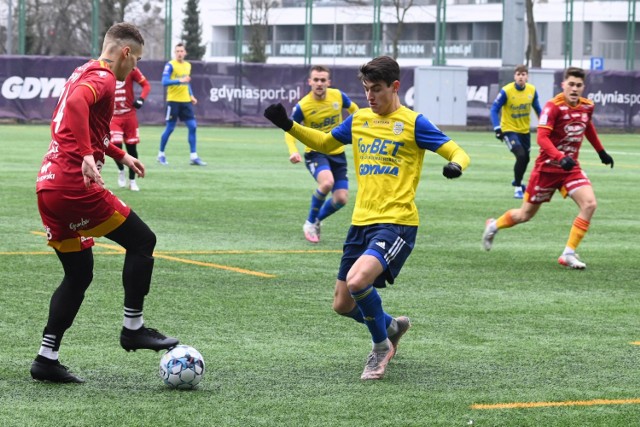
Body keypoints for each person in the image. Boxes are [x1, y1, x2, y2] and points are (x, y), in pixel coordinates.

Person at [264, 56, 470, 380]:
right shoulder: (360, 120)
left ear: (395, 87)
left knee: (359, 281)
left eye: (376, 90)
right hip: (361, 222)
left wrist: (455, 166)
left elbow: (458, 152)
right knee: (342, 304)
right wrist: (288, 124)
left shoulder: (414, 123)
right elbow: (324, 141)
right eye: (366, 89)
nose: (369, 97)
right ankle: (390, 325)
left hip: (397, 222)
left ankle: (380, 346)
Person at [31, 22, 179, 384]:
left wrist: (118, 154)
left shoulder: (83, 70)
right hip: (74, 186)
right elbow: (80, 103)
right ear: (125, 53)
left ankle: (46, 358)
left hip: (48, 186)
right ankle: (134, 327)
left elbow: (76, 118)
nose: (135, 68)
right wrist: (85, 155)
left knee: (78, 274)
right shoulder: (106, 77)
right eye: (137, 59)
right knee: (143, 241)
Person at [482, 67, 615, 269]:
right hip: (547, 169)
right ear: (563, 85)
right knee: (524, 215)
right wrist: (560, 157)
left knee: (589, 204)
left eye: (578, 85)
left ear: (583, 87)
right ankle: (493, 225)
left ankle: (568, 253)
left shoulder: (587, 106)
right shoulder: (553, 107)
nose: (574, 88)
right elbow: (542, 138)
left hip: (570, 169)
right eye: (571, 84)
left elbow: (587, 127)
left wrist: (601, 151)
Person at [285, 65, 359, 243]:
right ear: (309, 82)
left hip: (338, 153)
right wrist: (293, 151)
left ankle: (317, 220)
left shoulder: (338, 96)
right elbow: (289, 130)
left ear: (329, 82)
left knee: (341, 199)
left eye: (323, 80)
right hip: (315, 152)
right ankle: (310, 222)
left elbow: (356, 111)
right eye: (316, 80)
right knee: (327, 182)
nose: (319, 83)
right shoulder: (303, 106)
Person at [490, 65, 542, 199]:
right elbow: (494, 109)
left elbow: (538, 109)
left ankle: (517, 180)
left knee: (526, 158)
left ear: (527, 77)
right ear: (514, 76)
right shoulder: (506, 91)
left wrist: (545, 124)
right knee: (520, 155)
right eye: (518, 74)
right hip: (509, 130)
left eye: (524, 74)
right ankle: (518, 188)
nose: (521, 77)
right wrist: (497, 128)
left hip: (525, 131)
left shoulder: (532, 90)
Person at [157, 43, 206, 166]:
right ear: (175, 52)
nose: (179, 53)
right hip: (173, 101)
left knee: (193, 126)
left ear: (185, 53)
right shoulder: (170, 65)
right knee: (170, 128)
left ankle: (194, 157)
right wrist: (179, 80)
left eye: (181, 51)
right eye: (177, 51)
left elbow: (187, 83)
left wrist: (191, 95)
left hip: (186, 102)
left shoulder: (188, 66)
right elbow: (164, 82)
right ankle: (161, 154)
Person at [111, 67, 151, 191]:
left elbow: (146, 85)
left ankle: (132, 181)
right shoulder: (106, 69)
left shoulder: (131, 69)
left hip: (129, 116)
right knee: (115, 147)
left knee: (132, 149)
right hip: (113, 116)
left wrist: (141, 99)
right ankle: (121, 170)